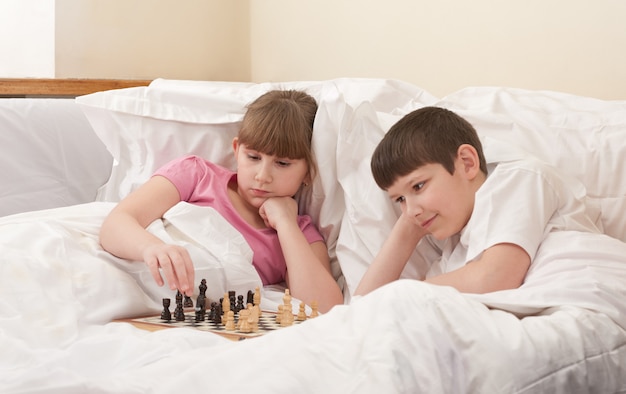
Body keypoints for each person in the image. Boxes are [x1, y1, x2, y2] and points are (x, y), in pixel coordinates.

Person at [100, 90, 343, 313]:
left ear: (308, 173)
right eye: (253, 157)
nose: (262, 176)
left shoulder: (299, 235)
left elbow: (325, 307)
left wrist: (286, 224)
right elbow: (117, 222)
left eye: (282, 164)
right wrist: (151, 248)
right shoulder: (196, 174)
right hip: (128, 275)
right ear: (237, 150)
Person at [354, 106, 603, 296]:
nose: (410, 210)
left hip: (586, 288)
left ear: (467, 163)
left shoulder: (518, 179)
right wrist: (407, 229)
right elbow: (362, 309)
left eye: (418, 186)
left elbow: (496, 277)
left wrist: (400, 294)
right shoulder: (454, 253)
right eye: (399, 199)